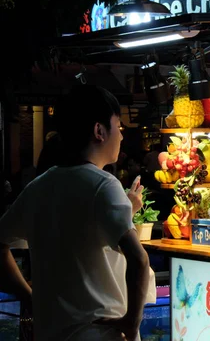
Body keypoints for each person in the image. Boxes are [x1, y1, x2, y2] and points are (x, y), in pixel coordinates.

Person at [0, 85, 149, 341]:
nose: (122, 137)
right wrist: (131, 322)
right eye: (118, 126)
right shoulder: (104, 185)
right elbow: (139, 261)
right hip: (100, 333)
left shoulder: (38, 187)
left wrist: (29, 296)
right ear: (99, 131)